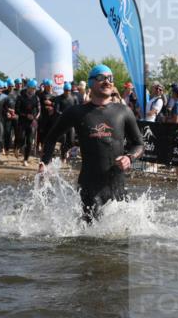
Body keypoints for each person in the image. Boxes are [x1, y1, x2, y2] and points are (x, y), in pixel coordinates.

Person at [38, 64, 144, 223]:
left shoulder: (123, 111)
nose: (107, 81)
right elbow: (51, 138)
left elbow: (139, 144)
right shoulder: (76, 112)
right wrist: (45, 163)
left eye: (110, 78)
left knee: (121, 238)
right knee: (88, 237)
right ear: (90, 83)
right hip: (89, 186)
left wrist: (129, 157)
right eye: (101, 78)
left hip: (117, 186)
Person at [16, 79, 40, 166]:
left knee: (30, 142)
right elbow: (17, 110)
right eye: (33, 88)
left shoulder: (36, 97)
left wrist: (35, 117)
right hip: (23, 121)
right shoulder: (21, 97)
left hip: (32, 122)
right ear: (28, 88)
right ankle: (18, 147)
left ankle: (25, 159)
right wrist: (26, 115)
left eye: (35, 89)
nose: (34, 90)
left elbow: (39, 110)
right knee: (22, 139)